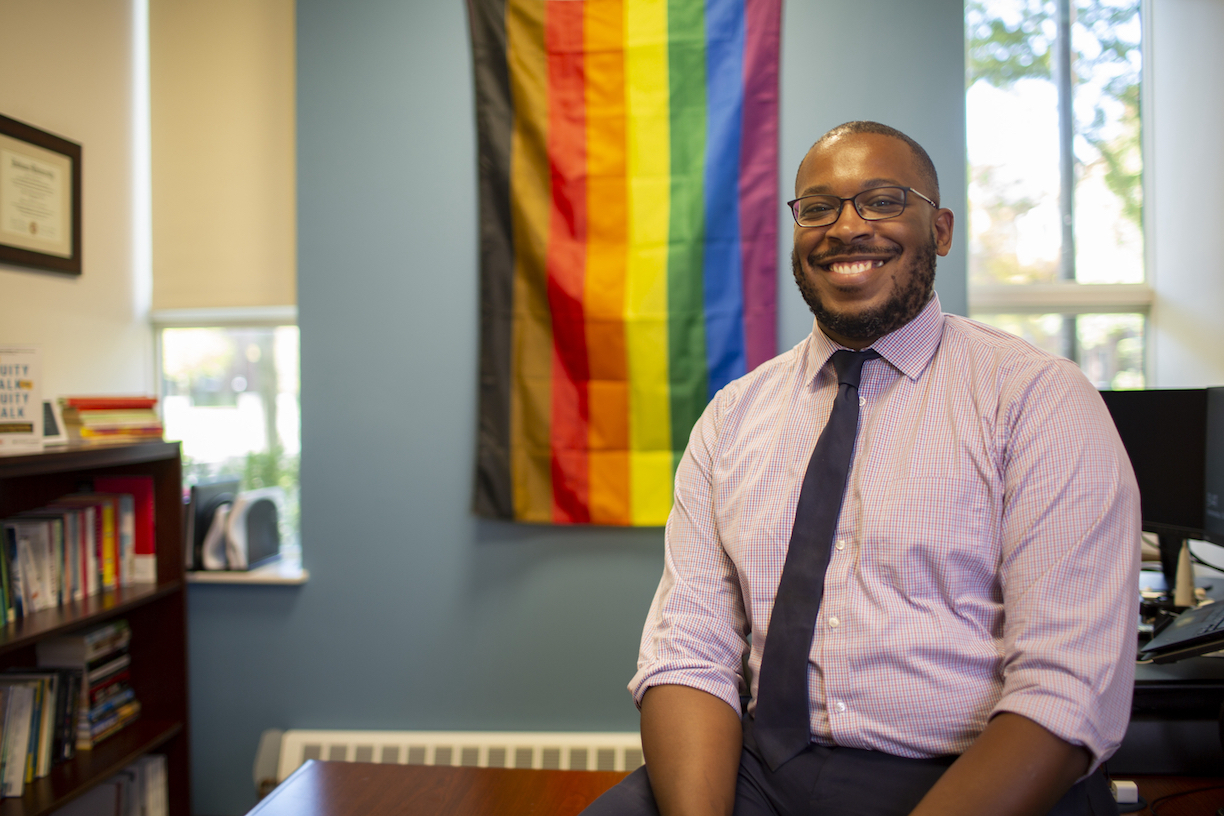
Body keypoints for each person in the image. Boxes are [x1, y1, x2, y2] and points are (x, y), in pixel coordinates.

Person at [582, 121, 1139, 816]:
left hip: (971, 775)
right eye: (817, 208)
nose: (845, 228)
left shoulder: (1036, 400)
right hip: (762, 768)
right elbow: (690, 652)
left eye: (881, 200)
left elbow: (1067, 688)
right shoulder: (731, 418)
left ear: (939, 229)